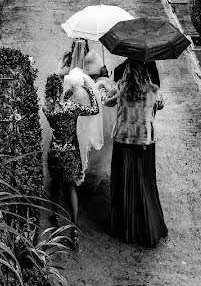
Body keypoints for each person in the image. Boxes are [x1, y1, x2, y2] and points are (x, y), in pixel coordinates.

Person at [105, 59, 168, 247]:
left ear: (128, 71)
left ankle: (125, 227)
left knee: (124, 184)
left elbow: (107, 103)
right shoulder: (153, 90)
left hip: (123, 141)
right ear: (146, 72)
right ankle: (148, 226)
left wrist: (105, 92)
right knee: (144, 183)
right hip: (144, 143)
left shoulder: (121, 87)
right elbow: (161, 105)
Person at [44, 72, 99, 246]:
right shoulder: (71, 107)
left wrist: (68, 92)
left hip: (55, 151)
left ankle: (53, 214)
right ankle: (74, 229)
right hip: (70, 153)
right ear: (61, 89)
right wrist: (89, 90)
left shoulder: (47, 109)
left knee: (55, 184)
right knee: (71, 188)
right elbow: (94, 109)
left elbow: (58, 102)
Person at [57, 40, 106, 175]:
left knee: (79, 128)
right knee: (85, 127)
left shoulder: (83, 58)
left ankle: (80, 164)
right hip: (85, 97)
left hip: (75, 97)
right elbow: (99, 74)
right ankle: (80, 164)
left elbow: (60, 74)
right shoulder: (90, 57)